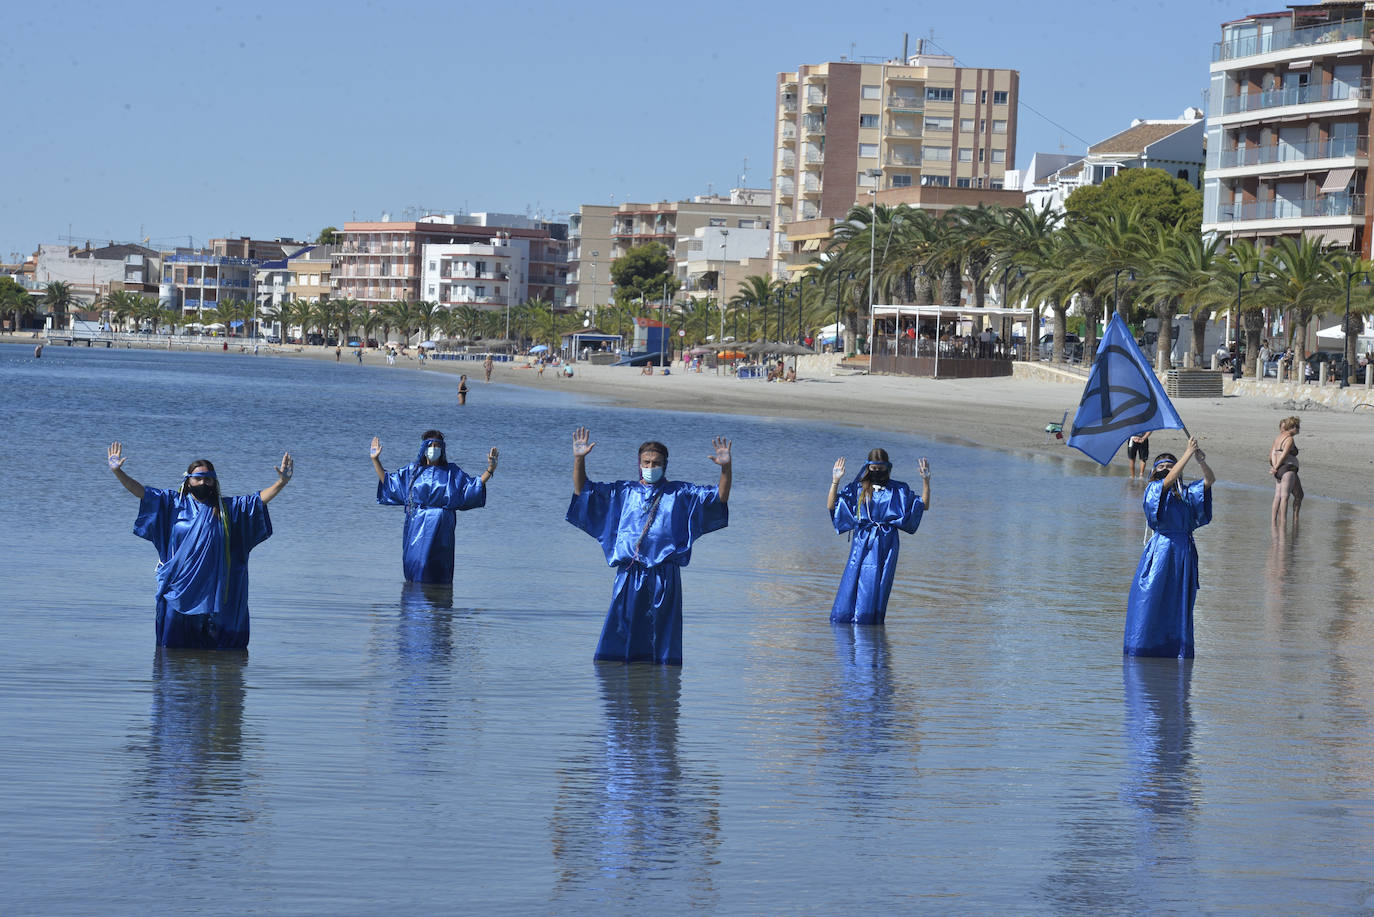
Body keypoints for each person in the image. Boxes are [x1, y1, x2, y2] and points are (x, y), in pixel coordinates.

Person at [566, 427, 731, 665]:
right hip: (629, 573)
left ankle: (663, 679)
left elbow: (720, 497)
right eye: (647, 462)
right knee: (622, 631)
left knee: (662, 636)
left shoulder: (681, 493)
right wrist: (579, 460)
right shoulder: (622, 492)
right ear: (639, 463)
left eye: (656, 463)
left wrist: (726, 468)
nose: (651, 467)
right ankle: (620, 685)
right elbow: (584, 491)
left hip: (665, 575)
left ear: (665, 465)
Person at [108, 442, 292, 650]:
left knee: (221, 650)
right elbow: (141, 492)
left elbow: (257, 501)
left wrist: (281, 483)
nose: (203, 482)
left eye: (208, 479)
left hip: (217, 590)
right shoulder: (172, 504)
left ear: (214, 482)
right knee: (174, 654)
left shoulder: (228, 509)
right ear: (188, 481)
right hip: (179, 588)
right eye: (198, 478)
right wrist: (118, 472)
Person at [1124, 437, 1214, 658]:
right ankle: (1145, 648)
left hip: (1183, 551)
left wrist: (1200, 461)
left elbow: (1210, 480)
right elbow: (1166, 483)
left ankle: (1176, 649)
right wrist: (1186, 453)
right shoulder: (1153, 488)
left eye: (1169, 466)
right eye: (1161, 466)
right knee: (1152, 599)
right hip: (1162, 550)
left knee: (1179, 601)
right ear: (1155, 472)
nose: (1165, 469)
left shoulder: (1186, 494)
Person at [372, 431, 497, 584]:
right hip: (417, 524)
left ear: (442, 449)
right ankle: (414, 601)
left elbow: (471, 487)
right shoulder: (412, 472)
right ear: (424, 448)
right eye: (430, 445)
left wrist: (490, 468)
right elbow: (390, 484)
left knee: (439, 568)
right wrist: (375, 460)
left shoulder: (452, 472)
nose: (433, 449)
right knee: (418, 564)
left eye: (437, 446)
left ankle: (441, 604)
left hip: (442, 525)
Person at [826, 449, 930, 626]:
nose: (878, 472)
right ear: (868, 467)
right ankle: (849, 620)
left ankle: (871, 621)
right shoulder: (857, 489)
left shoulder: (899, 489)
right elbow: (832, 506)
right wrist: (835, 481)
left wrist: (926, 481)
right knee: (855, 579)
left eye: (881, 468)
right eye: (874, 468)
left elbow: (922, 506)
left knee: (880, 583)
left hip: (887, 543)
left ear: (888, 468)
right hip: (863, 541)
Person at [1269, 416, 1303, 526]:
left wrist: (1275, 467)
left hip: (1280, 469)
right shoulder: (1289, 439)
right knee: (1285, 497)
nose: (1298, 429)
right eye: (1297, 427)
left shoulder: (1278, 438)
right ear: (1291, 427)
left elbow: (1273, 454)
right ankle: (1283, 523)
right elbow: (1283, 455)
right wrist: (1276, 467)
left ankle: (1273, 522)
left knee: (1277, 497)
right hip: (1288, 468)